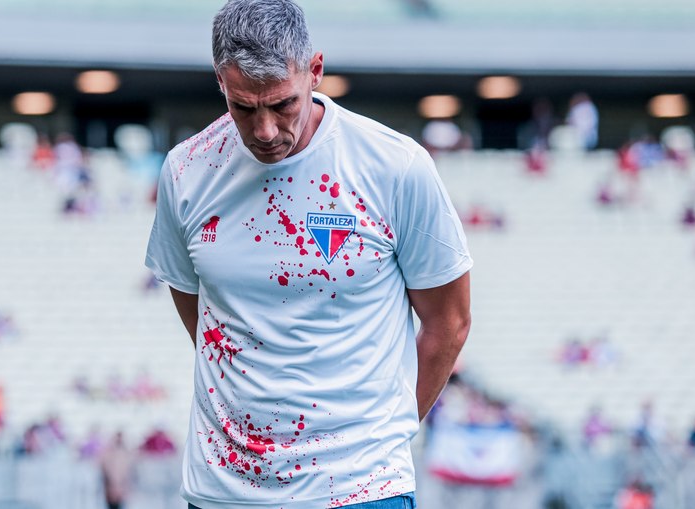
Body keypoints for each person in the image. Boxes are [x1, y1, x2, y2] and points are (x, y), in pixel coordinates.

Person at [144, 1, 473, 507]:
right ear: (221, 84)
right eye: (244, 107)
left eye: (282, 105)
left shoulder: (394, 167)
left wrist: (387, 433)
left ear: (315, 71)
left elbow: (448, 322)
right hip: (223, 491)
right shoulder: (186, 171)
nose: (265, 131)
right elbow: (197, 309)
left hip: (360, 488)